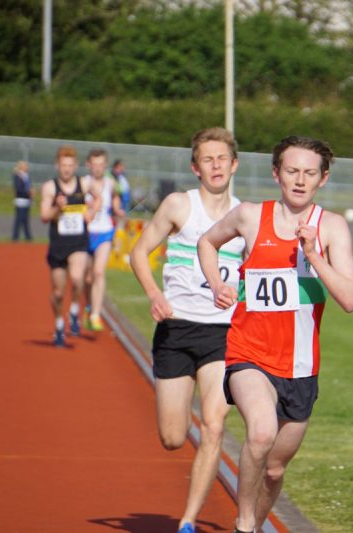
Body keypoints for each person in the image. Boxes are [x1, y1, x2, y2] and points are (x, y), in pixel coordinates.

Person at [197, 136, 353, 533]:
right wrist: (217, 282)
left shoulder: (332, 227)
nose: (300, 180)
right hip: (249, 353)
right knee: (262, 432)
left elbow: (351, 299)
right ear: (276, 174)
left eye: (309, 173)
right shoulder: (251, 216)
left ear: (323, 179)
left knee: (273, 468)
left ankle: (254, 516)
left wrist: (315, 255)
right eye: (291, 171)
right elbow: (207, 242)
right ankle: (245, 524)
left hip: (301, 367)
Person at [129, 127, 245, 533]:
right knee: (173, 437)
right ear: (196, 168)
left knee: (214, 425)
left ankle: (187, 522)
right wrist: (154, 294)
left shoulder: (246, 216)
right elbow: (139, 252)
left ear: (234, 164)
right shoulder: (179, 205)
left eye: (222, 158)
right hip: (177, 329)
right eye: (207, 159)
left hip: (224, 334)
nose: (216, 165)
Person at [40, 145, 97, 347]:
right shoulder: (49, 187)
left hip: (79, 242)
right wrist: (57, 206)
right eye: (63, 165)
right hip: (58, 245)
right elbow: (44, 217)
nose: (66, 169)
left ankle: (74, 309)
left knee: (77, 277)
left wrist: (92, 213)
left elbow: (98, 197)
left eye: (70, 165)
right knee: (57, 292)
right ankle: (58, 323)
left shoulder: (84, 183)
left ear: (75, 166)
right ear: (57, 165)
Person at [83, 148, 125, 332]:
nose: (98, 168)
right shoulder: (83, 183)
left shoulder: (110, 183)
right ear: (88, 165)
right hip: (85, 233)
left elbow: (115, 202)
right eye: (95, 164)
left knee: (99, 272)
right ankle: (89, 304)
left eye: (101, 164)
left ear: (105, 165)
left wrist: (119, 211)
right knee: (87, 277)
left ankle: (96, 315)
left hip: (105, 232)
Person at [11, 160, 33, 241]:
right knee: (19, 219)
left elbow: (29, 186)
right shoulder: (17, 176)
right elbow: (18, 189)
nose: (27, 167)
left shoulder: (26, 176)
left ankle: (28, 236)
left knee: (25, 219)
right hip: (20, 200)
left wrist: (31, 192)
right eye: (26, 166)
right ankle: (15, 236)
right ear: (21, 167)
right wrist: (28, 192)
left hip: (27, 201)